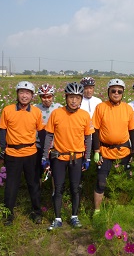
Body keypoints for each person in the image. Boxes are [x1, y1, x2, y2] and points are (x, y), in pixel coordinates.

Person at [43, 82, 94, 231]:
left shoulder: (84, 115)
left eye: (77, 98)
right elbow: (48, 136)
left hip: (76, 158)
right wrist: (44, 157)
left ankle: (74, 216)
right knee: (58, 188)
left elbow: (88, 138)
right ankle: (57, 218)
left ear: (81, 99)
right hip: (58, 157)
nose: (74, 101)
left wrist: (88, 158)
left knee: (75, 188)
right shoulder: (57, 113)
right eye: (71, 97)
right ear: (66, 98)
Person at [0, 81, 44, 226]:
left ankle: (37, 212)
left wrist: (44, 151)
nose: (24, 96)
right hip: (12, 153)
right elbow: (2, 130)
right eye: (22, 92)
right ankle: (8, 214)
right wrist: (3, 149)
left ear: (32, 96)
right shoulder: (8, 110)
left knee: (34, 183)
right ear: (17, 94)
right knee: (11, 185)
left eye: (28, 93)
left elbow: (41, 132)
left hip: (31, 152)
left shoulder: (36, 112)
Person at [92, 78, 134, 214]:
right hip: (105, 151)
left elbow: (132, 131)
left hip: (123, 151)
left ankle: (121, 208)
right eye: (113, 91)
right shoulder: (101, 107)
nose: (116, 93)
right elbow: (95, 130)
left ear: (123, 93)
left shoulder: (127, 108)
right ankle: (97, 211)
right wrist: (96, 150)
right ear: (108, 92)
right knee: (101, 182)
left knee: (124, 182)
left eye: (119, 91)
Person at [34, 84, 62, 183]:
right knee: (38, 171)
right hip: (39, 144)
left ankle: (55, 193)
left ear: (53, 96)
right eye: (43, 97)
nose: (46, 99)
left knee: (55, 171)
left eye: (49, 96)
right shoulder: (35, 108)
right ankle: (38, 193)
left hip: (55, 145)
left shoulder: (59, 108)